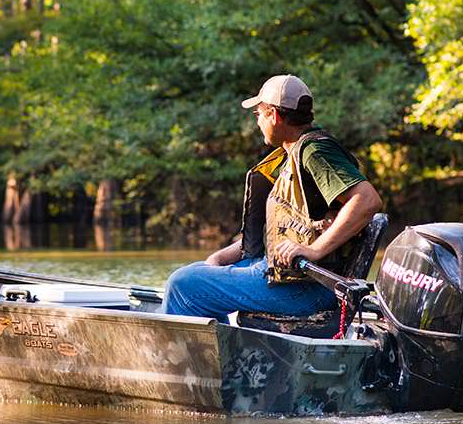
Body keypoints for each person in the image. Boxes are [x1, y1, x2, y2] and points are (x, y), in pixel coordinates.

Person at [163, 74, 383, 321]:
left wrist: (315, 250)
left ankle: (203, 359)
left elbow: (367, 200)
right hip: (284, 276)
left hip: (307, 288)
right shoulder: (293, 154)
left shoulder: (315, 151)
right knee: (196, 272)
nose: (257, 122)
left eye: (259, 114)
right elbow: (285, 229)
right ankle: (222, 354)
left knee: (183, 285)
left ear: (274, 116)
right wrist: (225, 256)